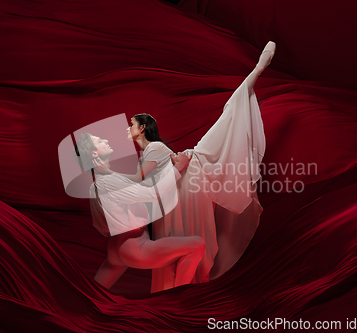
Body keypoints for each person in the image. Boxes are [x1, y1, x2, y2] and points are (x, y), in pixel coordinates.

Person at [93, 41, 276, 292]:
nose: (128, 128)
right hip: (179, 188)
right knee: (188, 247)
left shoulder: (154, 149)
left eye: (132, 124)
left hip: (185, 180)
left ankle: (253, 75)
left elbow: (139, 182)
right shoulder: (148, 153)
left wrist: (106, 172)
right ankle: (182, 295)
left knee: (224, 126)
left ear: (143, 128)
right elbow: (142, 188)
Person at [74, 133, 205, 289]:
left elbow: (138, 185)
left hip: (118, 246)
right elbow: (152, 193)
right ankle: (179, 300)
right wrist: (179, 167)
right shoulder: (108, 182)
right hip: (135, 246)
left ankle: (77, 308)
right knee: (197, 245)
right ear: (94, 153)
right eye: (101, 141)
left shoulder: (98, 183)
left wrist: (106, 170)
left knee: (94, 292)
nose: (106, 140)